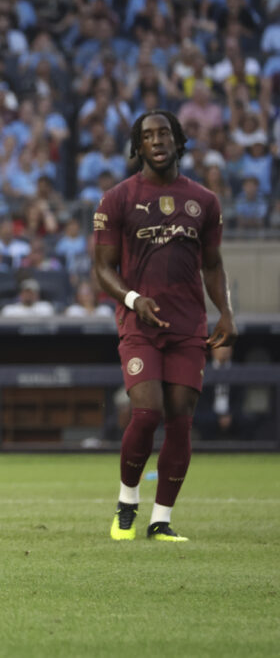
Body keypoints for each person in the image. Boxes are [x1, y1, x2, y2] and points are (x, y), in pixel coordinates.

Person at [94, 111, 237, 543]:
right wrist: (135, 300)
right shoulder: (116, 199)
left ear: (178, 141)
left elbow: (212, 265)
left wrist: (226, 311)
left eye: (164, 133)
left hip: (188, 324)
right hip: (138, 321)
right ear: (138, 147)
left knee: (180, 421)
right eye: (148, 135)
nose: (157, 140)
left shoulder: (205, 201)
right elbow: (101, 268)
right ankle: (127, 502)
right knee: (147, 411)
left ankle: (161, 520)